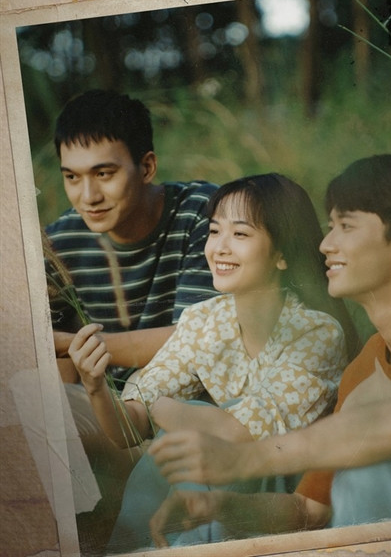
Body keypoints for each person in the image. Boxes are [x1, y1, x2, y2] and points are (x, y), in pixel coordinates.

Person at [145, 153, 391, 547]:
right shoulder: (362, 371)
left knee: (384, 461)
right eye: (329, 227)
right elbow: (309, 510)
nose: (325, 244)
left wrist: (244, 459)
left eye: (345, 226)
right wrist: (221, 508)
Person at [68, 172, 353, 553]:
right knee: (189, 429)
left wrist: (167, 409)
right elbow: (128, 430)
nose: (219, 247)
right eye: (215, 231)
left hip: (279, 496)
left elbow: (241, 434)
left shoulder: (316, 333)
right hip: (217, 478)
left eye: (240, 234)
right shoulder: (204, 320)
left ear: (282, 254)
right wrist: (95, 386)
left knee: (200, 422)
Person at [42, 89, 218, 551]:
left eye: (104, 174)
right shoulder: (60, 241)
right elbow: (63, 376)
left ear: (147, 167)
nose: (88, 196)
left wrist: (64, 343)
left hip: (190, 422)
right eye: (72, 177)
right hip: (111, 425)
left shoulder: (203, 213)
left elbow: (198, 340)